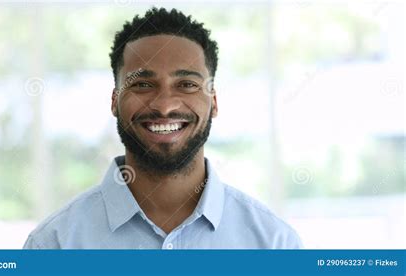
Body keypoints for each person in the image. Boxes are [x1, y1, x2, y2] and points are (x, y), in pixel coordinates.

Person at [23, 7, 302, 249]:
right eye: (143, 85)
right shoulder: (53, 246)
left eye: (187, 84)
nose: (165, 105)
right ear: (114, 101)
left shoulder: (275, 245)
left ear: (213, 102)